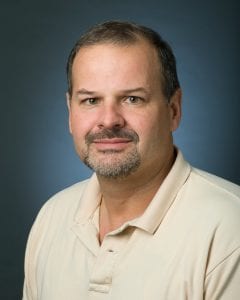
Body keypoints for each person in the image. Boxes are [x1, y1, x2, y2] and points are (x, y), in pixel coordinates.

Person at [23, 21, 240, 300]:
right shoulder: (51, 218)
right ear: (70, 112)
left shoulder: (230, 230)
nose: (109, 120)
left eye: (132, 99)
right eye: (91, 101)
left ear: (173, 110)